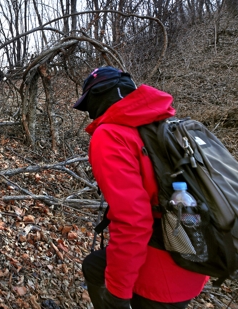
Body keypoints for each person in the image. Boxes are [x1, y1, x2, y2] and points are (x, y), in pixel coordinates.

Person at [73, 67, 209, 309]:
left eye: (89, 104)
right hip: (193, 256)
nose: (89, 114)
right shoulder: (163, 123)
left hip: (159, 276)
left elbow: (133, 221)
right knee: (94, 267)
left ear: (101, 96)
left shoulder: (110, 135)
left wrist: (117, 292)